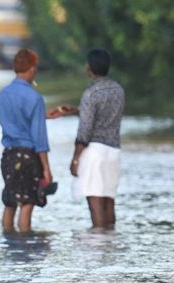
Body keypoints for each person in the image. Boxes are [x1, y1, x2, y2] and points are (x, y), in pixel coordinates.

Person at [59, 48, 125, 230]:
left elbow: (85, 131)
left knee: (94, 199)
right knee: (108, 198)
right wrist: (78, 111)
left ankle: (98, 244)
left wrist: (75, 158)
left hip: (95, 152)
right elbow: (106, 116)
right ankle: (110, 242)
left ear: (89, 68)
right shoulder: (118, 90)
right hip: (113, 151)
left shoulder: (91, 93)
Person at [0, 48, 55, 233]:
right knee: (27, 203)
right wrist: (46, 168)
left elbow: (15, 120)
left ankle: (8, 244)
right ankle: (25, 247)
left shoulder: (4, 94)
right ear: (31, 69)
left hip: (8, 156)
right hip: (28, 157)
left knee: (10, 201)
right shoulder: (35, 98)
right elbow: (39, 138)